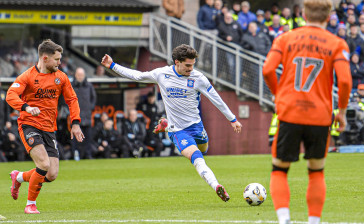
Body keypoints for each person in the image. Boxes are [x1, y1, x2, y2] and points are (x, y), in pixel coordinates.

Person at [101, 44, 242, 202]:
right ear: (177, 62)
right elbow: (138, 76)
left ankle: (165, 124)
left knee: (203, 150)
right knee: (196, 158)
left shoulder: (198, 78)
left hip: (197, 126)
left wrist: (233, 119)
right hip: (179, 130)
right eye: (187, 65)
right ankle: (216, 185)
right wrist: (113, 65)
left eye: (193, 65)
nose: (191, 69)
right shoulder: (162, 74)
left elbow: (215, 98)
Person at [262, 0, 352, 224]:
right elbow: (345, 81)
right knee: (316, 171)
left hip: (290, 112)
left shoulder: (285, 38)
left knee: (280, 169)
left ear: (303, 13)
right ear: (329, 16)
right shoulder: (337, 43)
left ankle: (284, 222)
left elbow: (268, 69)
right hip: (320, 116)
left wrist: (276, 94)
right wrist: (341, 112)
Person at [6, 39, 84, 214]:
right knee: (43, 163)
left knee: (51, 174)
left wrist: (76, 123)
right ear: (45, 58)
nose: (60, 63)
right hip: (29, 125)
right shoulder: (27, 76)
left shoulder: (61, 77)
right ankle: (30, 205)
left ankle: (18, 176)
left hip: (49, 128)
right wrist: (26, 107)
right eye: (57, 59)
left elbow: (72, 100)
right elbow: (11, 95)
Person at [71, 67, 97, 159]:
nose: (80, 77)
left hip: (87, 116)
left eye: (82, 75)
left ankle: (88, 154)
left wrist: (90, 108)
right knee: (74, 137)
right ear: (75, 75)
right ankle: (74, 154)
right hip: (75, 117)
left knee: (88, 137)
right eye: (78, 75)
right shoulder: (71, 86)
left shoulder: (89, 86)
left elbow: (93, 98)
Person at [136, 92, 165, 157]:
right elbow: (138, 114)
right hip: (144, 127)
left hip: (152, 127)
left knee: (158, 141)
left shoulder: (155, 106)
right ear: (148, 98)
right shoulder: (142, 105)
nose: (151, 99)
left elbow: (156, 117)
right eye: (150, 98)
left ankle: (154, 156)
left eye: (153, 98)